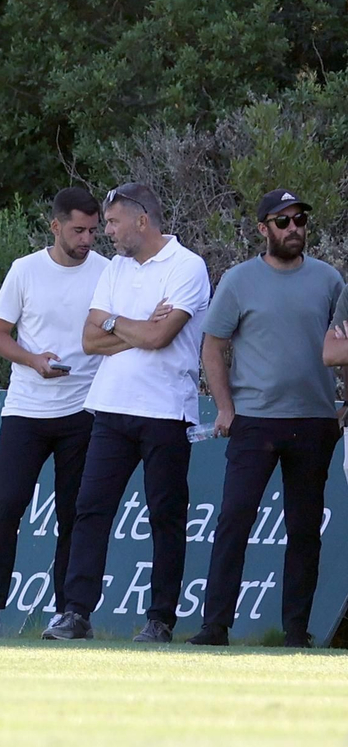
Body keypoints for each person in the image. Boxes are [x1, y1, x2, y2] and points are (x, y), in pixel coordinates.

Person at [44, 182, 210, 642]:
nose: (107, 232)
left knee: (165, 516)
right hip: (110, 407)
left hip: (166, 412)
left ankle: (160, 620)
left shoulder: (187, 266)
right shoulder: (114, 269)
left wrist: (116, 322)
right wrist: (130, 325)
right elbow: (89, 340)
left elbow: (162, 339)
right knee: (90, 509)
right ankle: (76, 613)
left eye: (113, 222)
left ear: (142, 220)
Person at [190, 189, 341, 649]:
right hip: (254, 421)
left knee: (304, 529)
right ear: (263, 229)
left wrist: (345, 405)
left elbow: (343, 347)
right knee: (235, 520)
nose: (294, 229)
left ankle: (296, 630)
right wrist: (225, 408)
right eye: (283, 222)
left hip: (315, 420)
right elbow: (212, 345)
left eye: (300, 221)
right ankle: (215, 625)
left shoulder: (329, 280)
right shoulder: (239, 281)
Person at [0, 187, 107, 637]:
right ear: (56, 226)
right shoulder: (25, 270)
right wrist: (33, 361)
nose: (86, 239)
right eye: (78, 230)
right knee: (7, 506)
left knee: (73, 512)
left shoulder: (109, 272)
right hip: (26, 410)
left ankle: (67, 612)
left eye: (93, 230)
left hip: (84, 411)